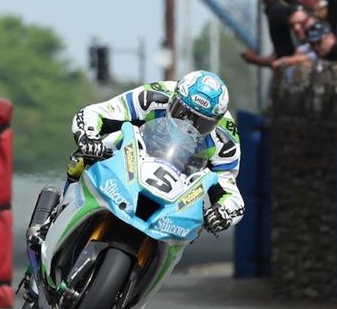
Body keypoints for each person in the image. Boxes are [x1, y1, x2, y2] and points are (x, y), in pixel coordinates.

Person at [26, 71, 244, 247]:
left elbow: (230, 188)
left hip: (179, 183)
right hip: (136, 154)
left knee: (196, 223)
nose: (189, 125)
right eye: (182, 113)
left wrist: (223, 212)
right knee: (85, 157)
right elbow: (96, 112)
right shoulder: (154, 95)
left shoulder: (226, 141)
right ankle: (54, 219)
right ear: (174, 99)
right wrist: (89, 137)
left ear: (215, 122)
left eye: (202, 123)